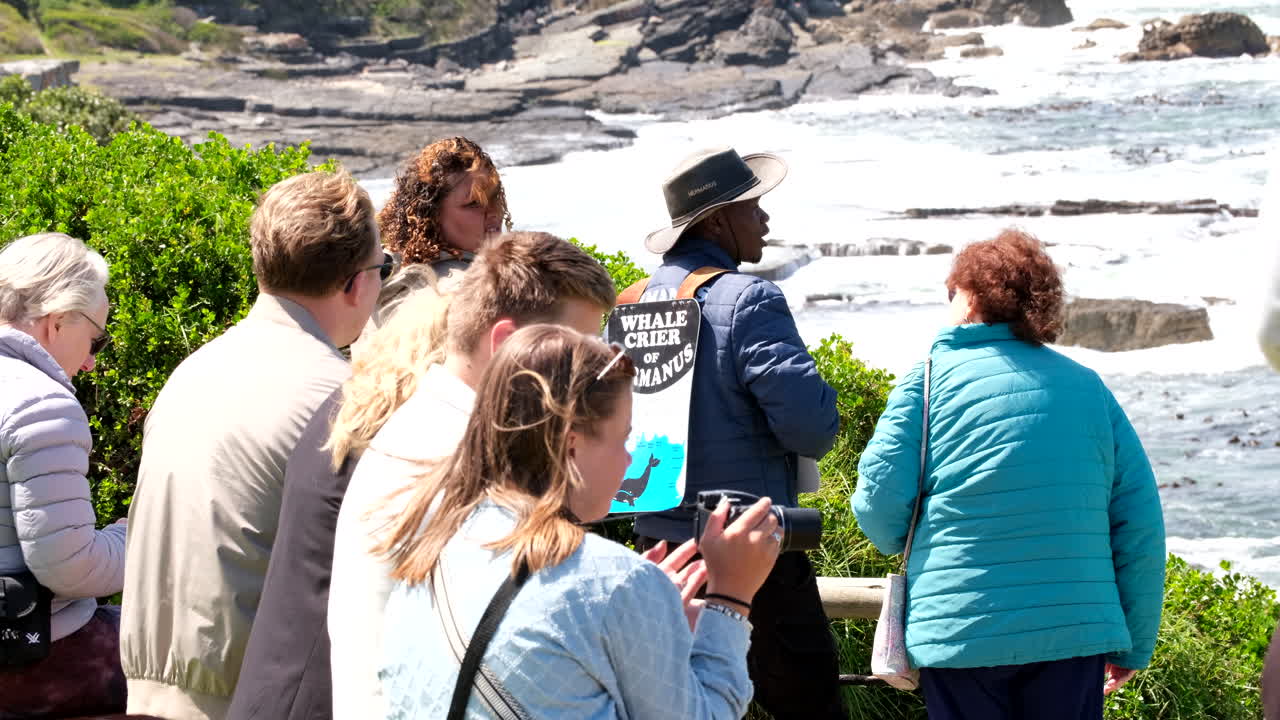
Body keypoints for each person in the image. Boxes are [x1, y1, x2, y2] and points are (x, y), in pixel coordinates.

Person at [230, 231, 615, 720]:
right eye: (576, 352)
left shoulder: (425, 426)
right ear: (505, 343)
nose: (589, 375)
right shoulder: (460, 458)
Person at [376, 324, 783, 718]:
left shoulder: (427, 550)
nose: (629, 461)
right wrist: (730, 598)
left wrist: (642, 608)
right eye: (623, 439)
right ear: (572, 444)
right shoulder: (613, 581)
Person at [852, 229, 1167, 720]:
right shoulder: (1088, 388)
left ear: (972, 297)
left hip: (960, 632)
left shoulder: (926, 382)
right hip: (1073, 631)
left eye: (951, 291)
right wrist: (1136, 643)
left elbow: (877, 509)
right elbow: (1139, 524)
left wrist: (908, 539)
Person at [119, 170, 387, 720]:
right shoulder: (337, 399)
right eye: (384, 268)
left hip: (148, 692)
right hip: (252, 699)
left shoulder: (192, 372)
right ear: (355, 284)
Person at [626, 146, 845, 719]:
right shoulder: (749, 300)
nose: (765, 219)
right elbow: (812, 429)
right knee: (809, 705)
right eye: (753, 206)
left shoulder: (634, 305)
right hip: (750, 549)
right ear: (719, 220)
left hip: (661, 555)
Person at [0, 232, 127, 717]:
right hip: (32, 657)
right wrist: (137, 537)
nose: (92, 361)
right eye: (96, 338)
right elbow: (71, 569)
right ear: (57, 321)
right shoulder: (41, 404)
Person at [371, 136, 511, 326]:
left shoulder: (378, 277)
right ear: (431, 216)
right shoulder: (470, 293)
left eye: (495, 196)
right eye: (474, 203)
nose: (494, 211)